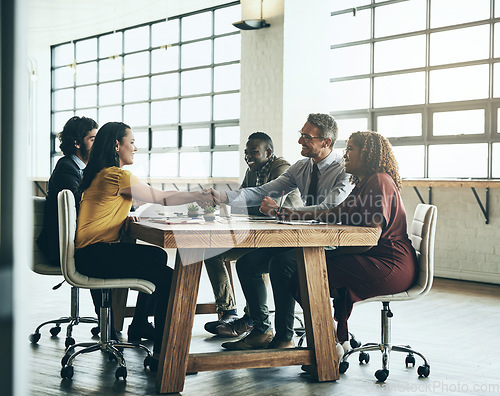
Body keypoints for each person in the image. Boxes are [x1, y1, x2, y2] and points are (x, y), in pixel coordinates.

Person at [209, 113, 353, 350]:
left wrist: (283, 213)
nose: (300, 141)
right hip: (303, 238)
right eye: (301, 135)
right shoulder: (301, 168)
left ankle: (284, 337)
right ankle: (262, 329)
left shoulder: (343, 170)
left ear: (326, 142)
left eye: (307, 137)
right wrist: (224, 197)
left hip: (331, 243)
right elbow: (261, 191)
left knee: (281, 264)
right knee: (248, 264)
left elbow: (331, 208)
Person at [74, 121, 214, 363]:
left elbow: (105, 208)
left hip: (89, 254)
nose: (135, 148)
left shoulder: (100, 174)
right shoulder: (116, 176)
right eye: (132, 142)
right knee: (169, 279)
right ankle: (165, 354)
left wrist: (125, 213)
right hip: (96, 255)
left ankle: (140, 324)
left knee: (158, 256)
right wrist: (198, 195)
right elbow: (161, 197)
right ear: (117, 146)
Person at [280, 131, 417, 356]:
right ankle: (334, 341)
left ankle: (329, 345)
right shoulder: (365, 183)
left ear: (368, 154)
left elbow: (370, 238)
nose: (345, 154)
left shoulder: (379, 181)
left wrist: (332, 253)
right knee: (307, 272)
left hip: (390, 265)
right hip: (378, 259)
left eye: (351, 149)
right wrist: (292, 214)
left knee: (306, 275)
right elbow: (334, 213)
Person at [203, 132, 302, 337]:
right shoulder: (252, 171)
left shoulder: (281, 169)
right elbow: (244, 206)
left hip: (284, 236)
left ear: (269, 152)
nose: (248, 156)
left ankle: (251, 318)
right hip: (258, 231)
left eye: (253, 152)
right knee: (210, 252)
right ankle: (228, 311)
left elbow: (269, 206)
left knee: (253, 259)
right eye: (246, 152)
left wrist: (250, 204)